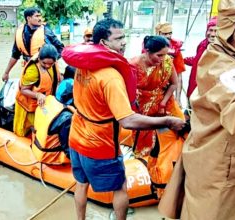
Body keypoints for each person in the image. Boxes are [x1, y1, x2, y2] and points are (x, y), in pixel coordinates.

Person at [159, 0, 235, 219]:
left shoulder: (221, 52)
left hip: (211, 159)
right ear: (225, 30)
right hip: (221, 171)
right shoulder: (222, 69)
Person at [62, 18, 185, 220]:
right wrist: (168, 121)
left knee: (81, 184)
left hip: (76, 136)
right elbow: (127, 120)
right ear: (103, 43)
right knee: (120, 187)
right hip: (100, 144)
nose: (124, 42)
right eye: (118, 39)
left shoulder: (83, 64)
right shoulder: (110, 76)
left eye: (124, 37)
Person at [129, 35, 185, 198]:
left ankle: (169, 171)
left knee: (175, 135)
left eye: (165, 54)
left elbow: (174, 84)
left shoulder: (167, 61)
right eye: (159, 55)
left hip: (164, 103)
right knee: (144, 142)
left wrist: (163, 103)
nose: (162, 59)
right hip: (141, 106)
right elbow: (127, 91)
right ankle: (147, 173)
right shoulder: (132, 65)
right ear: (146, 51)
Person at [2, 7, 64, 82]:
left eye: (40, 16)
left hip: (46, 68)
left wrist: (50, 61)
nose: (40, 18)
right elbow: (15, 55)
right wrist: (6, 72)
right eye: (37, 16)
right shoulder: (20, 33)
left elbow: (61, 48)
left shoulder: (46, 32)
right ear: (28, 18)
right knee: (26, 89)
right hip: (29, 68)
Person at [14, 44, 60, 137]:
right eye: (44, 63)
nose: (47, 66)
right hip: (27, 105)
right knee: (26, 129)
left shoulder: (53, 64)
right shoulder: (33, 70)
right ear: (39, 59)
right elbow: (24, 89)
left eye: (50, 64)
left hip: (43, 103)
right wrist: (38, 95)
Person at [184, 17, 217, 100]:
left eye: (216, 31)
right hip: (194, 87)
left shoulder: (223, 49)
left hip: (210, 91)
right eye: (210, 30)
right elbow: (198, 60)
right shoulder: (202, 44)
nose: (212, 34)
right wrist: (182, 59)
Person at [155, 22, 185, 106]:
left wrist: (178, 99)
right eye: (165, 34)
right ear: (158, 33)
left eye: (170, 33)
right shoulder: (149, 48)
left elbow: (179, 77)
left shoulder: (176, 50)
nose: (168, 36)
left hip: (168, 89)